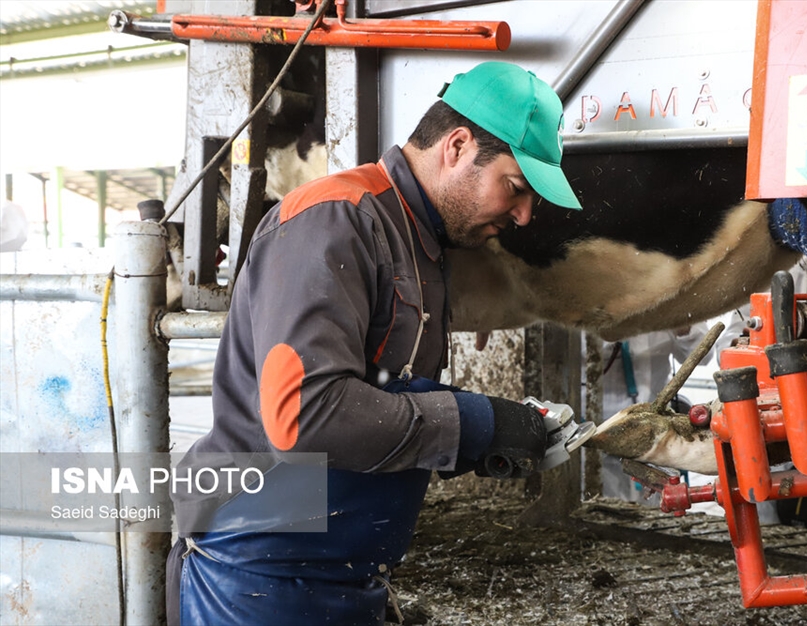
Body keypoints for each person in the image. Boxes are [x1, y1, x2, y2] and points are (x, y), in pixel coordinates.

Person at [165, 61, 582, 625]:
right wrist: (474, 421)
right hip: (261, 580)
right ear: (457, 147)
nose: (526, 215)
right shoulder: (334, 221)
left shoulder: (420, 238)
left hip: (338, 576)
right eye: (515, 187)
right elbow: (304, 415)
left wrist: (488, 438)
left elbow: (383, 393)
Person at [597, 324, 713, 502]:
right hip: (598, 428)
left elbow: (703, 355)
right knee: (601, 503)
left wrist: (679, 321)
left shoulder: (664, 301)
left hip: (656, 435)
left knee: (653, 508)